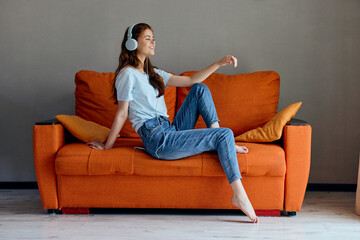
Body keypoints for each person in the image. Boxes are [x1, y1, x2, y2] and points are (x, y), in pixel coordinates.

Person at [86, 23, 259, 223]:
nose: (153, 42)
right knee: (225, 134)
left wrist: (219, 63)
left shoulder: (153, 73)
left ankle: (220, 140)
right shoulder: (127, 74)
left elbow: (192, 80)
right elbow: (122, 113)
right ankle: (239, 194)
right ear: (133, 43)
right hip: (157, 139)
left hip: (170, 129)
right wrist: (108, 145)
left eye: (153, 38)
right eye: (148, 38)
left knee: (199, 89)